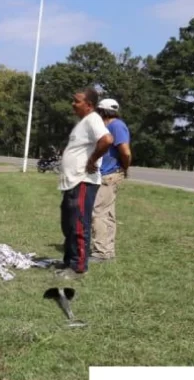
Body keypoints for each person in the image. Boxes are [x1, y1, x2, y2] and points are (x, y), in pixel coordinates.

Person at [55, 87, 114, 280]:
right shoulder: (84, 122)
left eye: (77, 101)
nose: (73, 103)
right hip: (72, 182)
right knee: (68, 224)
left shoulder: (94, 119)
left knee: (79, 224)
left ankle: (78, 267)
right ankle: (68, 261)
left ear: (89, 105)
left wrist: (92, 160)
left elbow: (106, 140)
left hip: (83, 180)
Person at [91, 98, 132, 262]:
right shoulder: (106, 126)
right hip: (103, 174)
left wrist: (125, 167)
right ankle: (107, 252)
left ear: (101, 111)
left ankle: (101, 253)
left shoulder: (116, 126)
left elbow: (125, 151)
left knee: (98, 213)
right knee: (107, 213)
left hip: (109, 175)